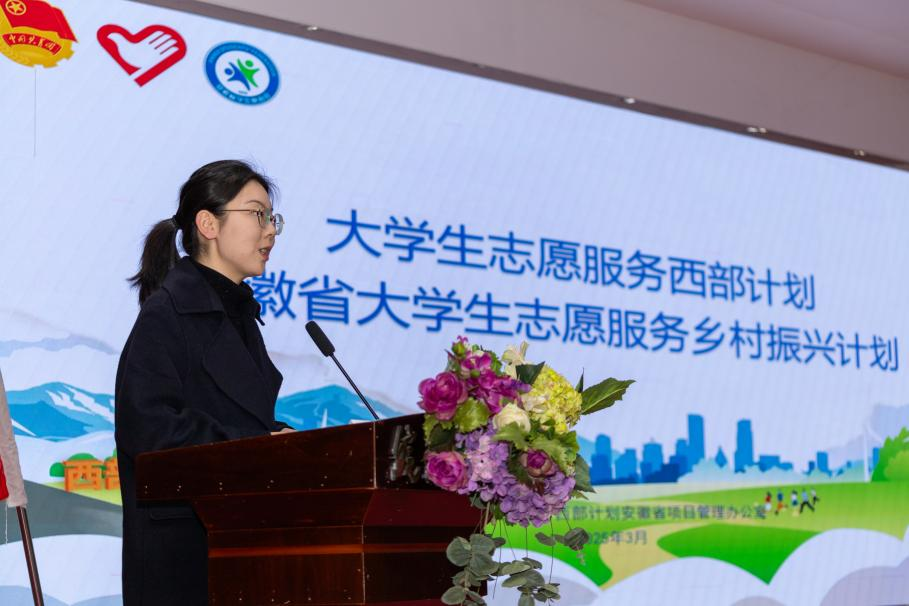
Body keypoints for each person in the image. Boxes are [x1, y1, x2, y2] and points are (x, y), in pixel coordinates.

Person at [115, 160, 292, 606]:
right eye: (258, 214)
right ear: (208, 224)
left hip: (239, 549)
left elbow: (236, 416)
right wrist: (259, 444)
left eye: (273, 218)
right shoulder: (168, 313)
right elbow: (149, 429)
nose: (271, 231)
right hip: (184, 557)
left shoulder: (240, 315)